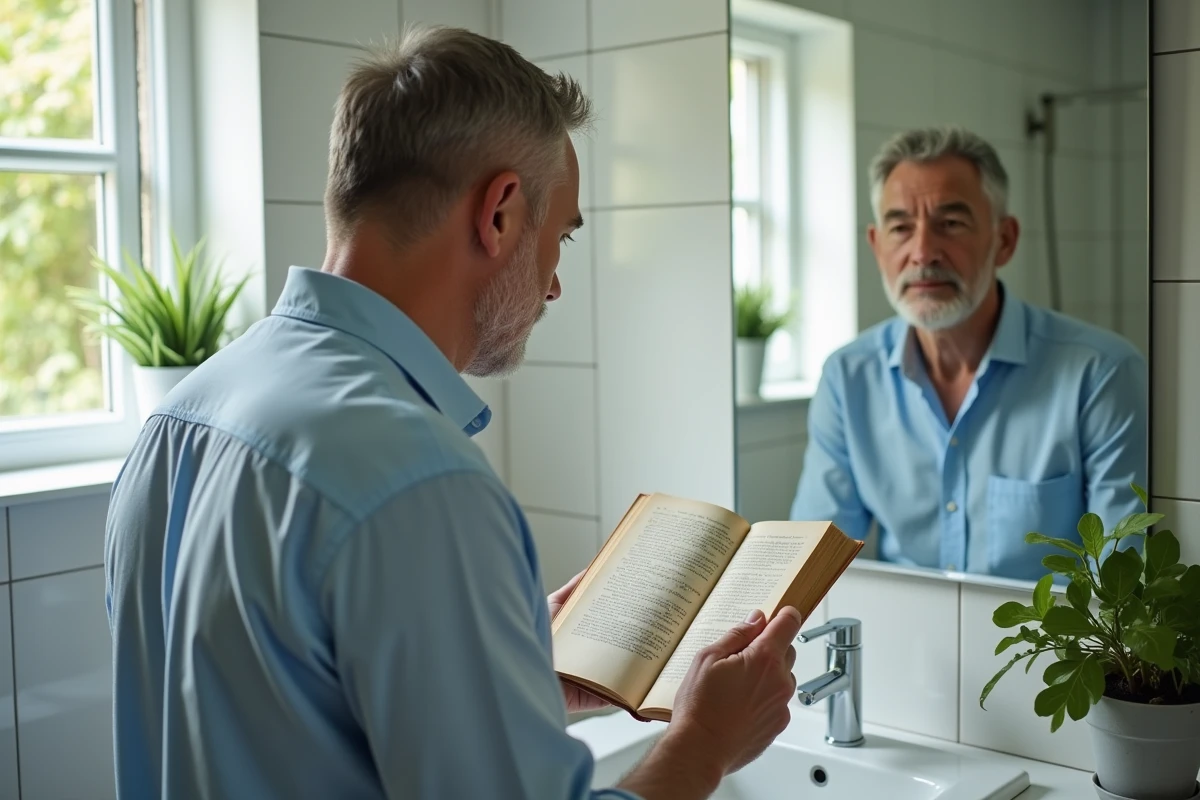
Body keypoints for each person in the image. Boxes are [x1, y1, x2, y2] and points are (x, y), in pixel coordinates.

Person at [105, 26, 803, 800]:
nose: (554, 286)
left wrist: (507, 653)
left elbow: (273, 707)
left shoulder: (180, 418)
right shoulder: (419, 478)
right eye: (559, 237)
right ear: (500, 213)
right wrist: (704, 743)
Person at [790, 126, 1147, 582]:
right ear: (878, 247)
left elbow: (1119, 587)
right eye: (901, 228)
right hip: (909, 645)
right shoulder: (847, 378)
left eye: (950, 224)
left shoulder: (1101, 374)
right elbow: (813, 571)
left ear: (1005, 240)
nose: (922, 252)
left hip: (1048, 652)